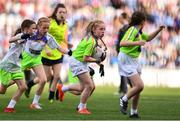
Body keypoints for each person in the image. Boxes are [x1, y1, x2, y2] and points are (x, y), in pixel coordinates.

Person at [118, 11, 165, 118]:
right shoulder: (133, 29)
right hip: (126, 58)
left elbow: (147, 38)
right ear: (143, 21)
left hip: (134, 60)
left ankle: (134, 112)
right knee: (140, 85)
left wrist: (158, 29)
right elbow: (122, 43)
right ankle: (124, 98)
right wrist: (137, 43)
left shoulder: (138, 31)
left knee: (137, 88)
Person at [21, 17, 72, 109]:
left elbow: (59, 48)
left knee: (44, 79)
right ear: (38, 27)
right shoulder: (30, 34)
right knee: (11, 81)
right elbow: (18, 39)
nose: (46, 30)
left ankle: (34, 103)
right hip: (25, 58)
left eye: (47, 28)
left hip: (36, 59)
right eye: (44, 28)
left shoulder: (48, 37)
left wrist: (69, 52)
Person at [57, 20, 106, 115]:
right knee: (89, 86)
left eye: (104, 29)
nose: (103, 31)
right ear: (94, 30)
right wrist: (97, 61)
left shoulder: (92, 39)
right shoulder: (91, 41)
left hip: (80, 62)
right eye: (101, 29)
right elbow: (85, 57)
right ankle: (82, 108)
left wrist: (99, 64)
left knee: (84, 88)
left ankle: (62, 88)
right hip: (77, 62)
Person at [0, 19, 36, 113]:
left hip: (16, 67)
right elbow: (10, 40)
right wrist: (23, 36)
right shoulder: (20, 36)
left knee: (23, 87)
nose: (35, 30)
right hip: (7, 65)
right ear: (26, 29)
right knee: (2, 91)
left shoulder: (29, 39)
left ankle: (10, 108)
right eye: (33, 28)